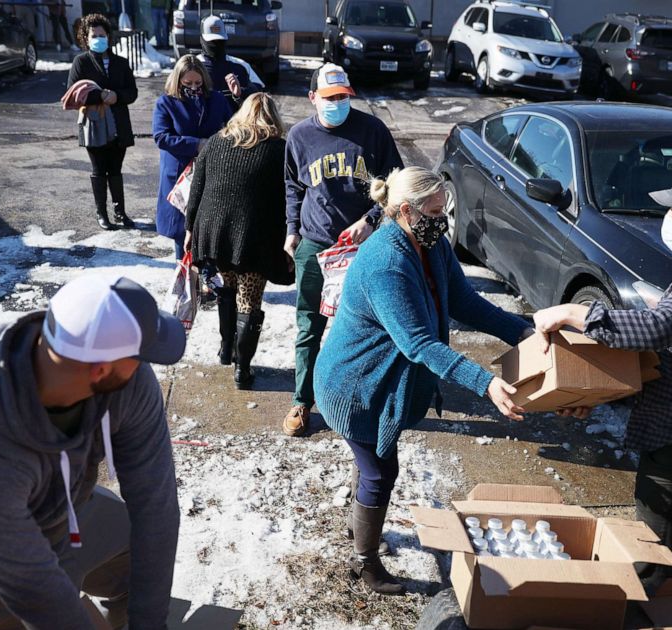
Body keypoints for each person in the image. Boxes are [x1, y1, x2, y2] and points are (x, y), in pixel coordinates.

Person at [533, 164, 672, 592]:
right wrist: (596, 390)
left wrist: (571, 313)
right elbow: (670, 348)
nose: (670, 219)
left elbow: (656, 330)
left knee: (653, 570)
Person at [314, 167, 533, 595]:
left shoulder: (429, 245)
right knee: (380, 471)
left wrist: (520, 331)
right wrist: (485, 383)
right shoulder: (385, 263)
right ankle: (367, 564)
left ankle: (357, 527)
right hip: (357, 388)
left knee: (372, 463)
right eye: (435, 212)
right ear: (407, 211)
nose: (443, 220)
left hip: (384, 384)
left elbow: (467, 302)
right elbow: (419, 345)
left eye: (444, 210)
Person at [0, 275, 185, 629]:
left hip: (65, 507)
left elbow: (155, 507)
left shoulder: (126, 380)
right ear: (100, 369)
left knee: (138, 555)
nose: (146, 365)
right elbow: (34, 591)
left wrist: (148, 623)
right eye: (140, 355)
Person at [283, 62, 403, 437]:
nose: (337, 103)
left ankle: (366, 399)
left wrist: (370, 219)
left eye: (343, 97)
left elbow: (395, 182)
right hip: (317, 245)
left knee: (370, 325)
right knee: (309, 324)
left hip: (364, 247)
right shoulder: (300, 137)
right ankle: (301, 402)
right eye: (330, 97)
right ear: (313, 98)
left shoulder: (372, 131)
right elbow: (292, 187)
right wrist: (291, 231)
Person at [184, 93, 292, 389]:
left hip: (215, 232)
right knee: (249, 299)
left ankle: (225, 348)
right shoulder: (278, 149)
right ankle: (242, 370)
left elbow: (196, 187)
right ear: (272, 117)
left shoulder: (217, 141)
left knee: (227, 289)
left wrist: (190, 228)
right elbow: (287, 197)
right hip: (254, 238)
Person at [153, 54, 233, 260]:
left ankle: (206, 280)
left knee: (207, 227)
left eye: (198, 83)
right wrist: (197, 144)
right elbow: (162, 137)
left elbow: (233, 125)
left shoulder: (215, 99)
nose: (194, 87)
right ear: (178, 80)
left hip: (210, 171)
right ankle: (185, 277)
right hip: (179, 173)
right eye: (188, 83)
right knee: (181, 232)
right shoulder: (166, 102)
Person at [68, 13, 139, 231]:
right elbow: (73, 93)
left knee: (116, 169)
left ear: (108, 36)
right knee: (99, 169)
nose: (99, 38)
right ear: (86, 38)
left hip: (118, 123)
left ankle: (120, 212)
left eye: (102, 34)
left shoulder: (121, 62)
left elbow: (132, 92)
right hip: (95, 125)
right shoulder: (81, 62)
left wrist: (117, 96)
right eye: (94, 35)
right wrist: (99, 96)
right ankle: (102, 213)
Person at [197, 16, 263, 113]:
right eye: (212, 42)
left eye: (220, 41)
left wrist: (240, 93)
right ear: (202, 39)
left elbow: (259, 93)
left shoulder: (241, 65)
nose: (216, 45)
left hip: (234, 124)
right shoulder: (192, 65)